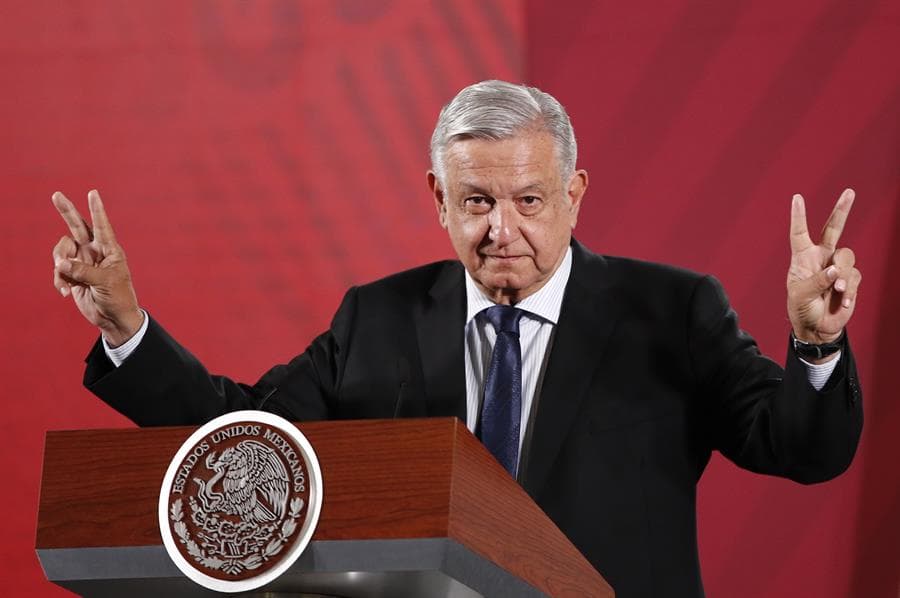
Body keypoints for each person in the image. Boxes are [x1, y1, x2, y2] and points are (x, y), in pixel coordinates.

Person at [51, 80, 863, 598]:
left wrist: (815, 344)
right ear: (438, 198)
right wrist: (127, 328)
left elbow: (798, 447)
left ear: (575, 195)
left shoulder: (672, 311)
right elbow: (248, 444)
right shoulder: (376, 318)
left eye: (529, 201)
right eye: (477, 202)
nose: (501, 230)